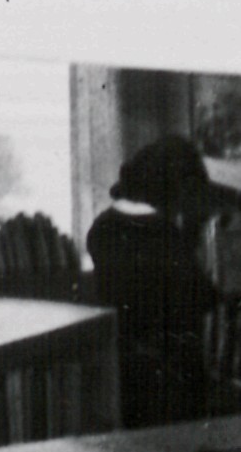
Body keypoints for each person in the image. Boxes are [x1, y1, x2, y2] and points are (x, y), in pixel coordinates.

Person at [84, 127, 221, 425]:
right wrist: (193, 236)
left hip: (120, 369)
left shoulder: (102, 226)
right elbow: (205, 299)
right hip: (169, 380)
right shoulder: (165, 237)